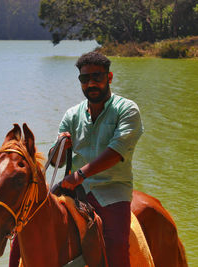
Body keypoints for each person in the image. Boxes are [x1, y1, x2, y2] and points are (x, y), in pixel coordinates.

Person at [49, 51, 144, 267]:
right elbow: (57, 163)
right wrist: (60, 146)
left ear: (109, 78)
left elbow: (117, 151)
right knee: (24, 227)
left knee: (116, 247)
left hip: (112, 190)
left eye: (97, 77)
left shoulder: (127, 110)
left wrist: (80, 174)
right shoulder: (72, 115)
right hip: (73, 190)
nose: (91, 83)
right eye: (85, 79)